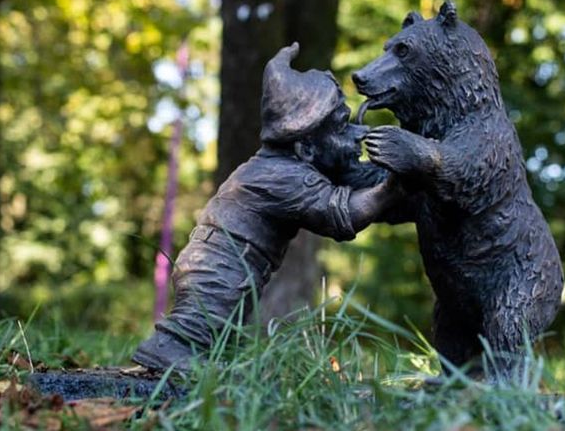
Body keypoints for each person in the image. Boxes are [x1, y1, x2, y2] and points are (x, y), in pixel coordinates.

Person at [133, 43, 402, 371]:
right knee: (205, 322)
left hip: (226, 264)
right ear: (305, 148)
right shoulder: (284, 176)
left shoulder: (279, 165)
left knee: (220, 332)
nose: (359, 134)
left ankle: (194, 356)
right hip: (218, 269)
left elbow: (354, 185)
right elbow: (344, 214)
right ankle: (171, 350)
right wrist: (397, 184)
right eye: (343, 126)